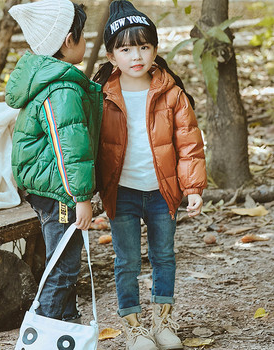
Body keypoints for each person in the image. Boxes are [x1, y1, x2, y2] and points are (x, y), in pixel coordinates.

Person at [93, 1, 207, 349]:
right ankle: (133, 326)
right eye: (125, 49)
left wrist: (193, 188)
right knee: (126, 260)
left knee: (164, 256)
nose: (136, 56)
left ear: (155, 50)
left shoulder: (172, 94)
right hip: (122, 191)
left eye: (144, 46)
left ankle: (163, 322)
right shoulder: (101, 96)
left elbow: (189, 144)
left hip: (162, 191)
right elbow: (88, 145)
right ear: (112, 56)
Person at [6, 0, 102, 324]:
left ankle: (66, 328)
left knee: (63, 262)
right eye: (83, 35)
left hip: (46, 184)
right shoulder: (61, 88)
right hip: (59, 190)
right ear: (67, 41)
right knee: (62, 267)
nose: (86, 42)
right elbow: (67, 149)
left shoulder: (46, 79)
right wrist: (81, 198)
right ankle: (46, 332)